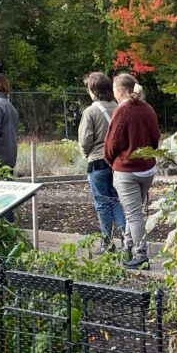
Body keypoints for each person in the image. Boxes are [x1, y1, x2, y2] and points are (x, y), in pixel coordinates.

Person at [104, 73, 161, 269]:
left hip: (127, 169)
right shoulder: (148, 109)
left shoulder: (123, 110)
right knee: (132, 211)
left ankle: (141, 253)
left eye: (114, 89)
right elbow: (155, 137)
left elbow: (112, 143)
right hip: (147, 169)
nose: (113, 93)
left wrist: (112, 161)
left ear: (120, 91)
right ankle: (127, 247)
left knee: (134, 214)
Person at [78, 72, 126, 253]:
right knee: (116, 200)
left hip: (97, 162)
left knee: (102, 203)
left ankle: (107, 242)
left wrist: (85, 153)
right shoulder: (120, 108)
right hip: (117, 162)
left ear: (93, 90)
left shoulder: (90, 112)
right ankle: (125, 237)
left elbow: (85, 140)